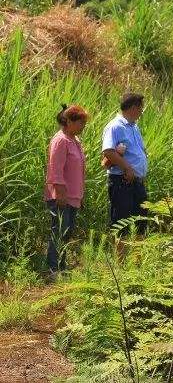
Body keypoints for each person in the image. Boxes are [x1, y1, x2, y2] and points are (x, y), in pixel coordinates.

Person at [44, 104, 89, 276]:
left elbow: (78, 171)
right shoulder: (60, 140)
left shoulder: (75, 140)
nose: (83, 126)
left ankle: (61, 267)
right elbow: (55, 170)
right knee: (59, 231)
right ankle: (53, 269)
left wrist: (80, 195)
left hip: (73, 196)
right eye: (80, 122)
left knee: (67, 232)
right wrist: (60, 193)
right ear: (68, 121)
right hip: (61, 196)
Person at [101, 92, 148, 233]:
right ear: (133, 108)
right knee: (122, 226)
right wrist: (127, 168)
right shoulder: (115, 126)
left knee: (140, 224)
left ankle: (136, 255)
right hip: (122, 182)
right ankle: (120, 256)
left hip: (137, 182)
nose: (141, 112)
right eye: (141, 108)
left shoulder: (134, 127)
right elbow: (108, 151)